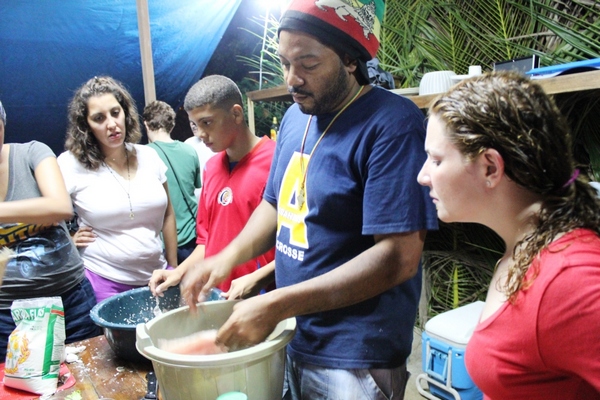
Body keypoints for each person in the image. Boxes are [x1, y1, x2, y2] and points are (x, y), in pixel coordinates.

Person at [176, 1, 438, 398]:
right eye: (285, 63)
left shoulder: (392, 124)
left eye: (308, 64)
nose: (292, 78)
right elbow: (275, 206)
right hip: (297, 333)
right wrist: (225, 258)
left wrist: (277, 303)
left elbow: (398, 259)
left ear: (350, 60)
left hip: (355, 352)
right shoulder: (298, 117)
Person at [417, 71, 600, 399]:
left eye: (436, 159)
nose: (423, 176)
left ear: (490, 167)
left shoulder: (570, 276)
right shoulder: (524, 246)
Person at [149, 75, 276, 295]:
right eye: (194, 125)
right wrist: (179, 272)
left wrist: (258, 278)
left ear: (236, 113)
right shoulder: (211, 167)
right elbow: (207, 241)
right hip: (220, 295)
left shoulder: (276, 161)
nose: (201, 134)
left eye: (207, 123)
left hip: (263, 296)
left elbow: (298, 244)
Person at [58, 76, 178, 303]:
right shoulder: (71, 163)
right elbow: (48, 213)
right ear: (86, 126)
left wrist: (173, 266)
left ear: (126, 112)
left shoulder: (149, 156)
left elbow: (169, 215)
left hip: (157, 276)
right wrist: (69, 238)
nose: (111, 124)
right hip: (103, 281)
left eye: (115, 112)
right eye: (99, 118)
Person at [0, 100, 100, 359]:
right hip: (6, 314)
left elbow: (60, 205)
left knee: (88, 378)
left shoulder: (31, 153)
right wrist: (37, 210)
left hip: (70, 298)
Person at [143, 100, 201, 264]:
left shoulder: (144, 156)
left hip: (163, 242)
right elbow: (196, 186)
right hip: (192, 237)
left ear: (146, 124)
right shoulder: (190, 151)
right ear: (172, 124)